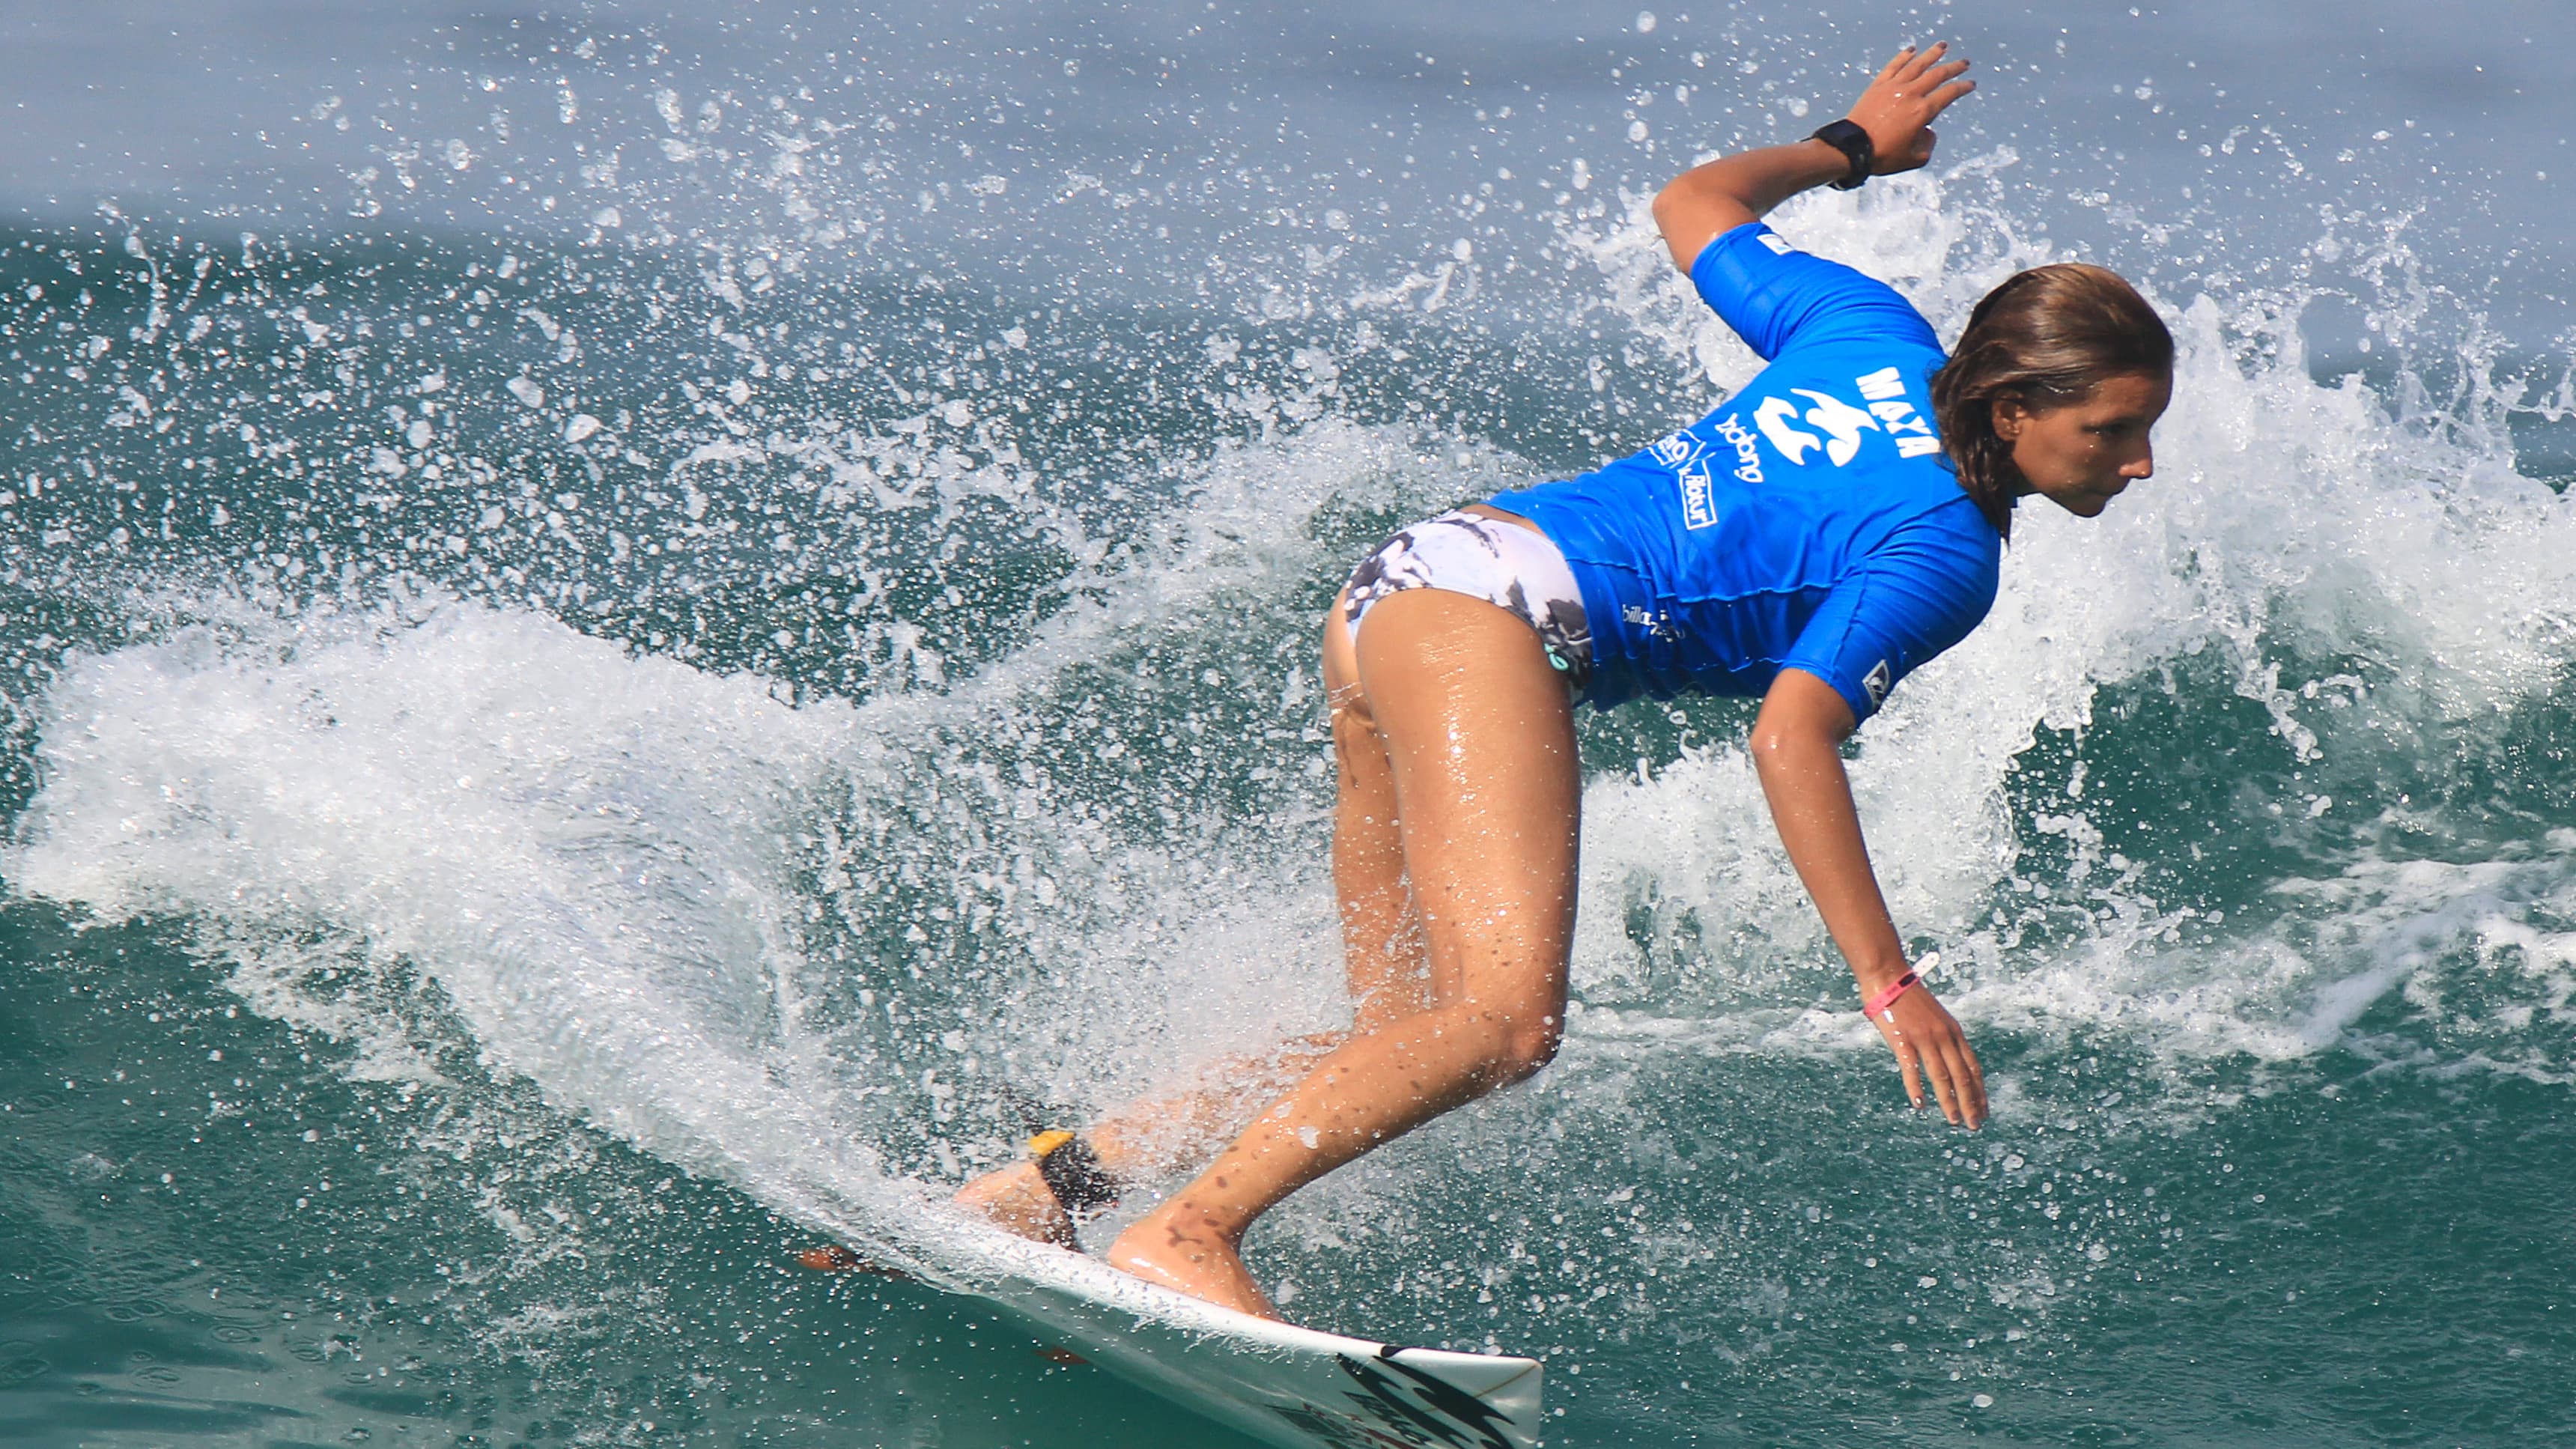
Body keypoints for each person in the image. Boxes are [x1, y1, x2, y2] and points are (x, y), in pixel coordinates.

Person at [950, 42, 2175, 1318]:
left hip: (1409, 581)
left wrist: (1851, 146)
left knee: (1404, 1026)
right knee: (1504, 1026)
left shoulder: (1868, 326)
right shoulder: (1943, 550)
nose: (2137, 464)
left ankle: (1049, 1190)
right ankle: (1190, 1233)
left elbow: (1693, 205)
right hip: (1489, 625)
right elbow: (1791, 740)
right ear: (2010, 407)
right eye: (2110, 430)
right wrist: (1890, 981)